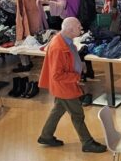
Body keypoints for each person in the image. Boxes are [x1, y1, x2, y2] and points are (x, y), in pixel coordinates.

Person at [37, 17, 107, 153]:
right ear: (69, 30)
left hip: (64, 86)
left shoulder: (65, 40)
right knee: (77, 115)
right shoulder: (58, 47)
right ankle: (87, 142)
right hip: (65, 87)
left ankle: (46, 136)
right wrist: (76, 77)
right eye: (78, 27)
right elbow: (57, 75)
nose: (81, 29)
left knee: (57, 110)